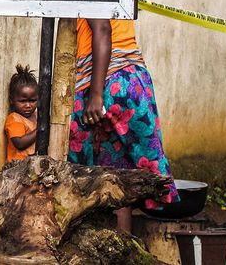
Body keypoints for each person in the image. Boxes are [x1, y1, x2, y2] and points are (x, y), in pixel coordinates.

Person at [68, 19, 178, 233]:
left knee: (79, 173)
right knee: (117, 179)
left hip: (107, 80)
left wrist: (96, 95)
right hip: (131, 80)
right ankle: (119, 250)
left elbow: (102, 29)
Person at [5, 65, 38, 162]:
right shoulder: (14, 119)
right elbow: (19, 144)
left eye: (32, 101)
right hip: (17, 168)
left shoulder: (37, 116)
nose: (28, 105)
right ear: (12, 100)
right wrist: (41, 129)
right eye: (23, 101)